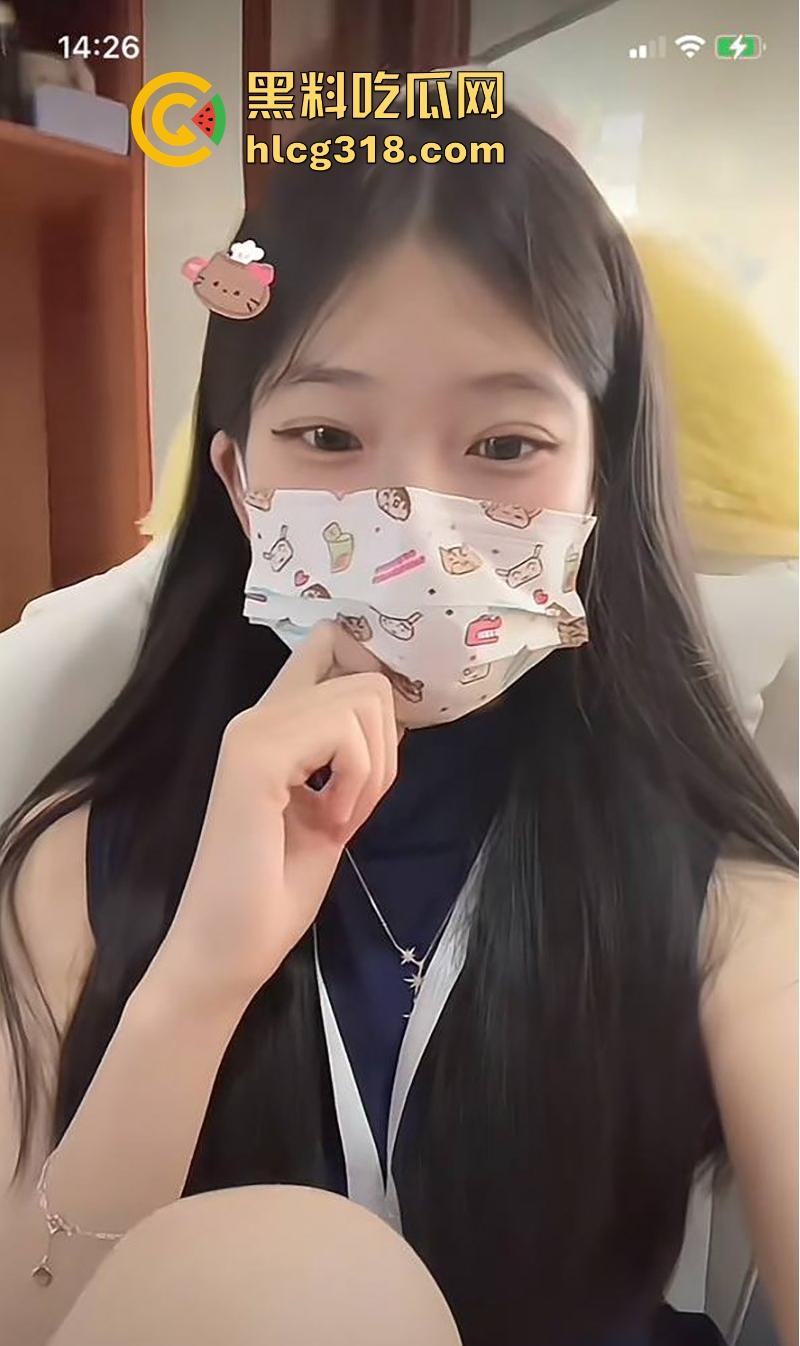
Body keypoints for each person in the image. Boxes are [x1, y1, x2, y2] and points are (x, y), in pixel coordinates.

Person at [0, 105, 796, 1346]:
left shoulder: (720, 893)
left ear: (597, 482)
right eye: (327, 435)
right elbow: (32, 1315)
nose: (414, 524)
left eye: (503, 443)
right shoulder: (76, 865)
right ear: (238, 485)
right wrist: (199, 975)